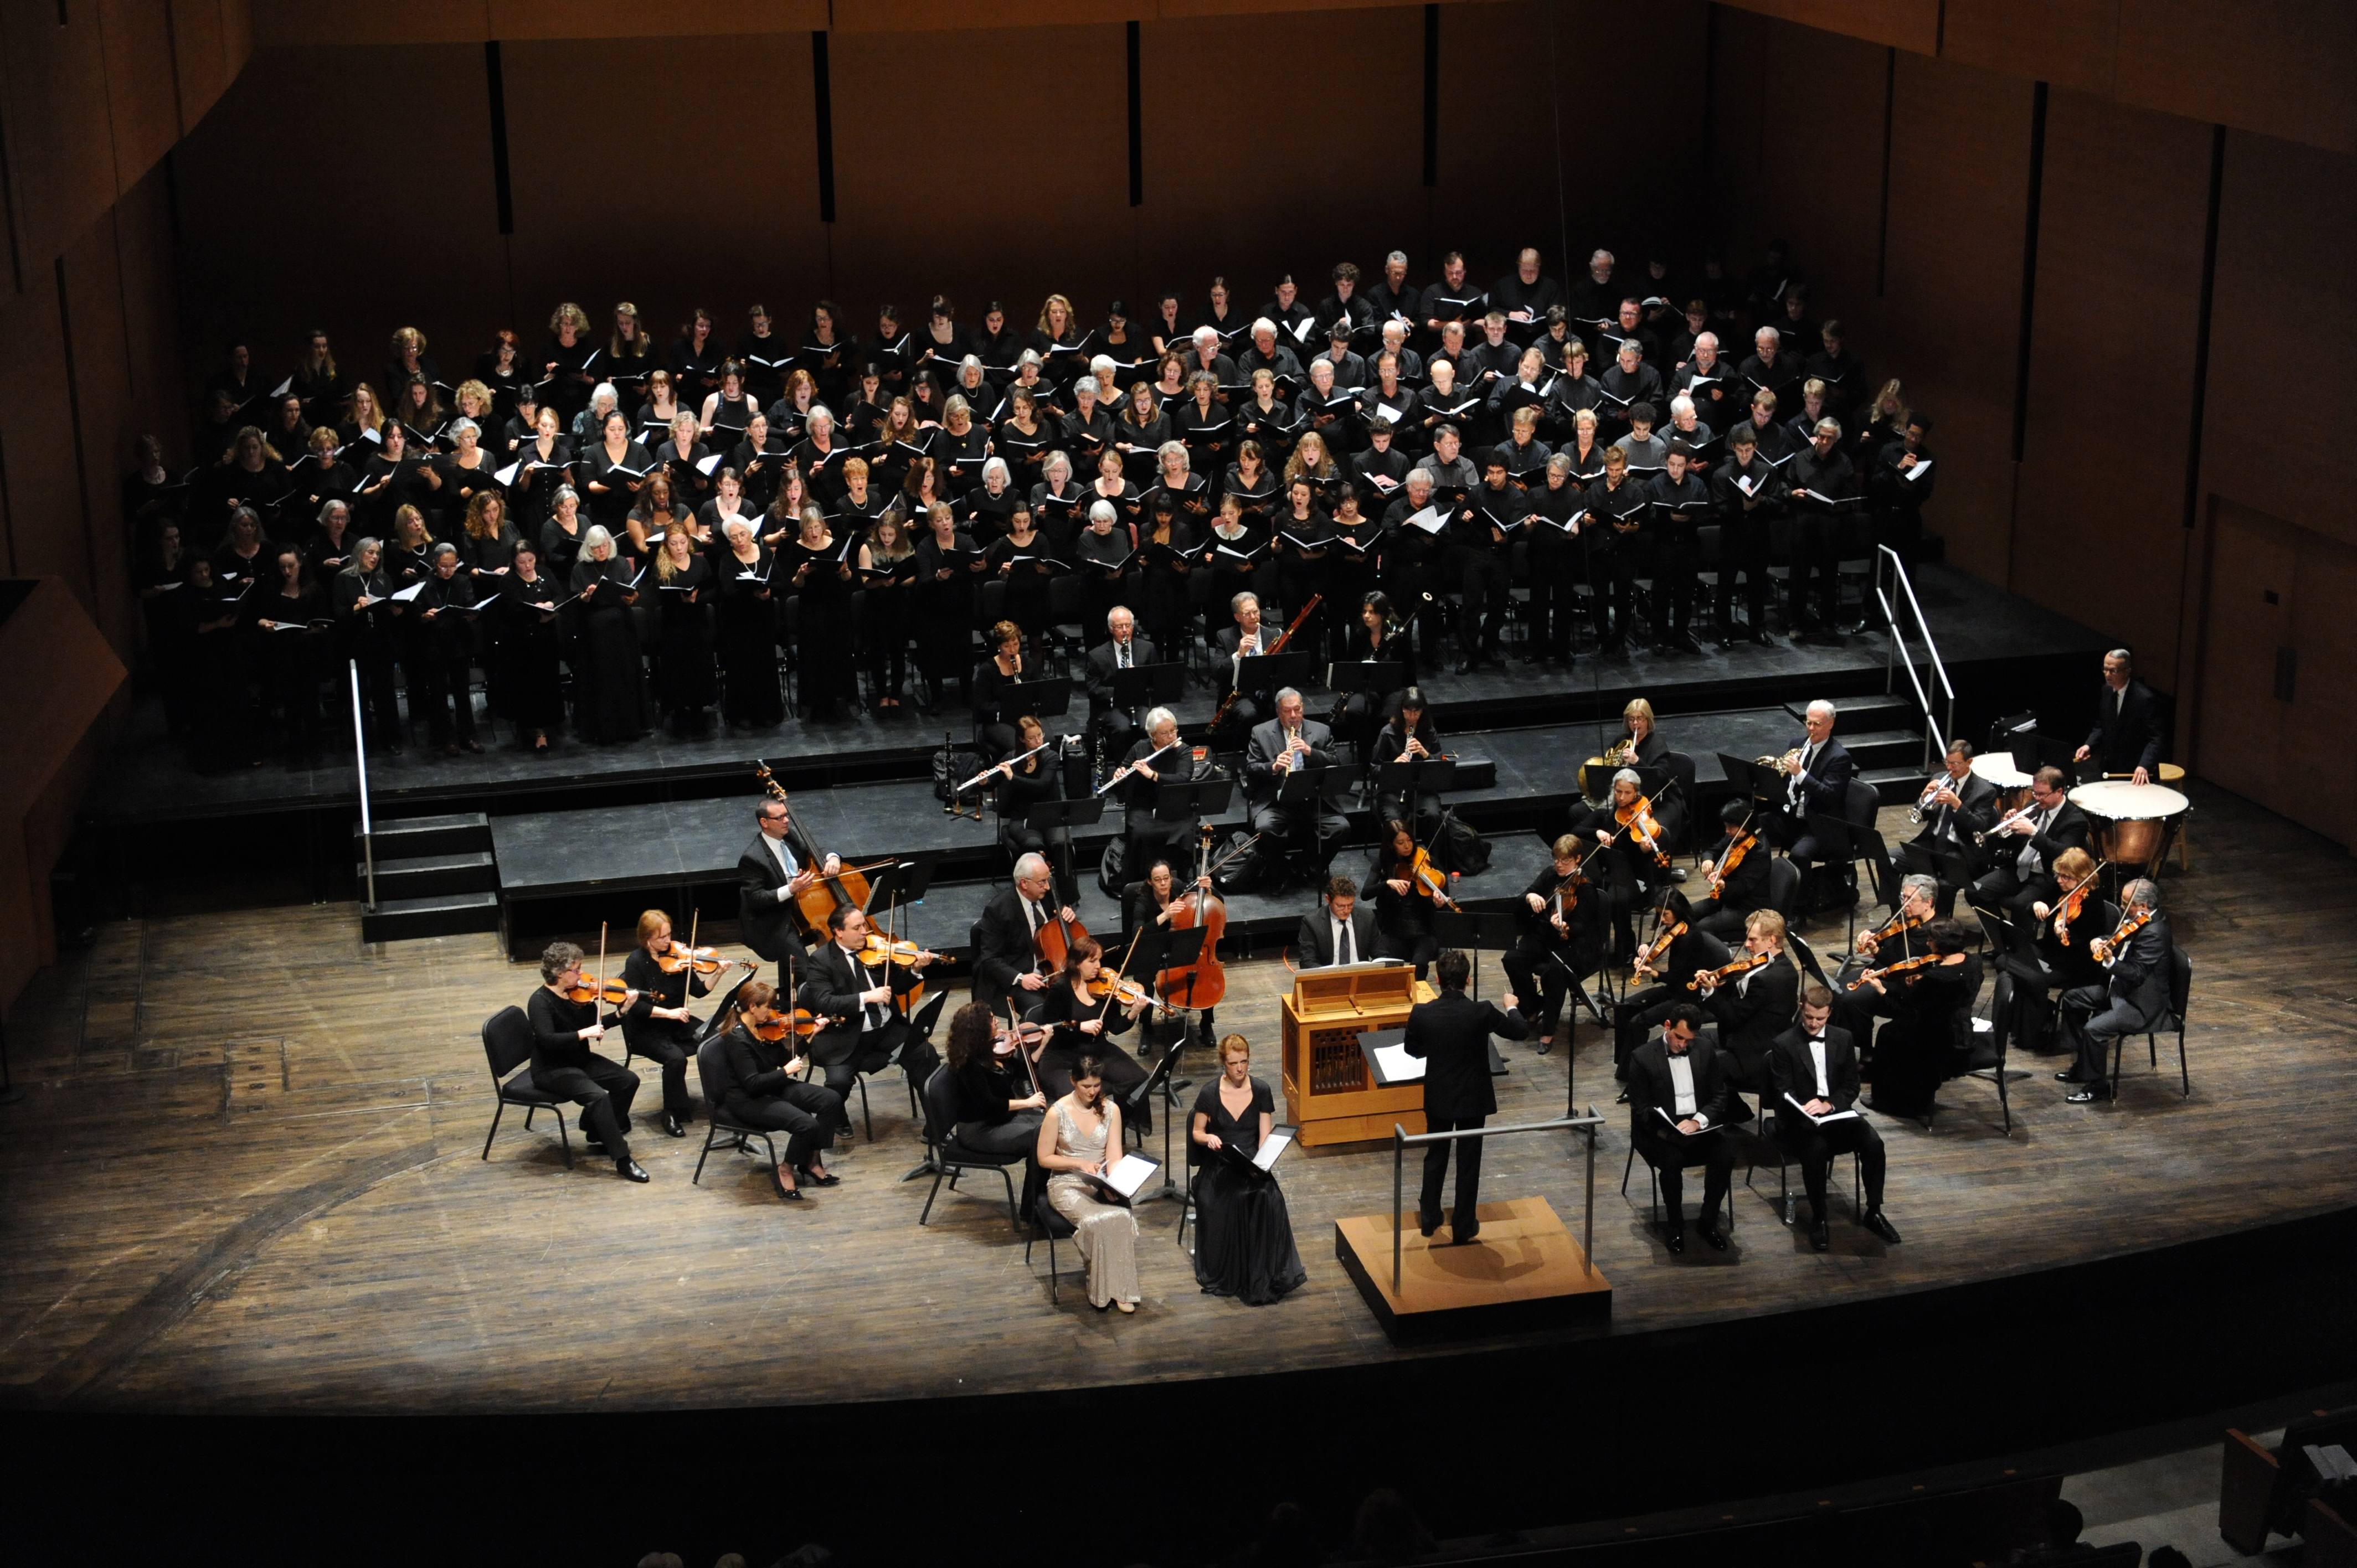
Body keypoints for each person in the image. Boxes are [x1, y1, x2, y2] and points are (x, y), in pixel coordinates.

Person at [1403, 948, 1525, 1245]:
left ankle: (1430, 1219)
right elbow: (1520, 1031)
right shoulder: (1481, 1011)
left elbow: (1413, 1050)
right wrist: (1510, 1006)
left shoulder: (1423, 1012)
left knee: (1436, 1156)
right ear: (1468, 980)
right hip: (1473, 1097)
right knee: (1469, 1161)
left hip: (1439, 1095)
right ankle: (1463, 1224)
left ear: (1437, 979)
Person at [1768, 986, 1901, 1250]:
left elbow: (1852, 1086)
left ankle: (1874, 1210)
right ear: (1801, 1007)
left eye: (1820, 1019)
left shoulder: (1843, 1038)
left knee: (1874, 1144)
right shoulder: (1783, 1044)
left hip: (1835, 1114)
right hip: (1801, 1120)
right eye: (1808, 1017)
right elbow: (1784, 1091)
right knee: (1815, 1150)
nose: (1813, 1024)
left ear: (1830, 1013)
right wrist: (1808, 1107)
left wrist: (1829, 1105)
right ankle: (1819, 1217)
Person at [797, 904, 940, 1132]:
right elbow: (825, 1002)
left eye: (864, 924)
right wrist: (867, 997)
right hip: (845, 1036)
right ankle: (836, 1117)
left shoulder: (876, 951)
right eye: (857, 928)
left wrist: (915, 970)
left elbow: (898, 987)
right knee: (838, 1082)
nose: (865, 931)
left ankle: (936, 1127)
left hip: (886, 1028)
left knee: (926, 1054)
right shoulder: (821, 961)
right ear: (839, 932)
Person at [1189, 1034, 1307, 1304]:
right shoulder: (1209, 1093)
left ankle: (1263, 1272)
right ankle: (1236, 1271)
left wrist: (1263, 1162)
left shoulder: (1261, 1090)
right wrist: (1209, 1138)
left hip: (1250, 1163)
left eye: (1244, 1062)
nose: (1240, 1069)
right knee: (1232, 1199)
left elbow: (1264, 1138)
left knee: (1269, 1197)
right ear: (1223, 1063)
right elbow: (1197, 1132)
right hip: (1220, 1165)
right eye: (1233, 1063)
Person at [524, 941, 647, 1182]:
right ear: (560, 974)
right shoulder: (539, 1002)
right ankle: (623, 1160)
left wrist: (623, 1012)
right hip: (552, 1068)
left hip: (580, 1059)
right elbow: (548, 1040)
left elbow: (597, 1026)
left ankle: (595, 1131)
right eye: (577, 970)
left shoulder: (580, 996)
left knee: (628, 1081)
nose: (582, 975)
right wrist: (584, 1034)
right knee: (598, 1096)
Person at [619, 908, 739, 1138]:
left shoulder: (678, 956)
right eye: (662, 937)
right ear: (648, 940)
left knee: (718, 1038)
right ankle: (671, 1113)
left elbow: (697, 991)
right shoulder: (635, 962)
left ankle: (725, 1098)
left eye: (669, 934)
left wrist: (718, 974)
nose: (669, 940)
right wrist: (670, 1014)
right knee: (675, 1059)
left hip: (677, 1021)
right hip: (646, 1028)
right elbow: (637, 1008)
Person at [716, 979, 842, 1198]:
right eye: (768, 1007)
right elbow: (752, 1083)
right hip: (748, 1099)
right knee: (806, 1124)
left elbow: (788, 1059)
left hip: (772, 1087)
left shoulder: (764, 1031)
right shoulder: (738, 1039)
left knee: (831, 1099)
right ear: (753, 1007)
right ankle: (785, 1168)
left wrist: (811, 1035)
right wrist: (784, 1072)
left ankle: (812, 1161)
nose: (772, 1012)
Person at [1037, 1055, 1141, 1312]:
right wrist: (1078, 1163)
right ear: (1074, 1082)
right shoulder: (1057, 1113)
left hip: (1097, 1183)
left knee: (1119, 1216)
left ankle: (1122, 1290)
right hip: (1066, 1185)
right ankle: (1102, 1288)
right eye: (1086, 1087)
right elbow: (1043, 1158)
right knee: (1098, 1220)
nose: (1093, 1092)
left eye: (1096, 1086)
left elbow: (1114, 1155)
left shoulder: (1111, 1110)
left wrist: (1112, 1184)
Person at [1626, 1004, 1733, 1254]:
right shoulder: (1642, 1057)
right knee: (1671, 1163)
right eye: (1679, 1038)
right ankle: (1674, 1225)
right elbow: (1640, 1110)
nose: (1683, 1045)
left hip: (1697, 1127)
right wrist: (1669, 1130)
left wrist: (1698, 1121)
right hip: (1660, 1132)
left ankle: (1708, 1221)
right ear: (1667, 1027)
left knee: (1725, 1154)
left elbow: (1720, 1096)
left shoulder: (1705, 1049)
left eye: (1689, 1041)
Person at [2058, 880, 2174, 1103]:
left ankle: (2097, 1086)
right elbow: (2115, 939)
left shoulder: (2155, 933)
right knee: (2072, 1000)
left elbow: (2137, 973)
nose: (2121, 907)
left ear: (2142, 906)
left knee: (2094, 1029)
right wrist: (2099, 940)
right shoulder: (2138, 921)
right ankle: (2083, 1065)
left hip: (2141, 1005)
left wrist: (2111, 962)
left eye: (2125, 903)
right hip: (2121, 991)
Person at [1859, 918, 1981, 1118]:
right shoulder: (1974, 962)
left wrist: (1881, 989)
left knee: (1888, 1033)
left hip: (1936, 1037)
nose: (1927, 943)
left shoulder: (1936, 977)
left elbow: (1906, 1008)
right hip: (1962, 1029)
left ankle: (1888, 1101)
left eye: (1930, 940)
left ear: (1940, 944)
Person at [1613, 890, 1731, 1090]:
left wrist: (1654, 973)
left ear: (1677, 912)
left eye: (1665, 914)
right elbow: (1660, 943)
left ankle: (1639, 1076)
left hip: (1687, 998)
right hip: (1674, 989)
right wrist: (1645, 947)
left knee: (1639, 1022)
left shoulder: (1690, 938)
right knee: (1625, 1007)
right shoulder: (1675, 929)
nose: (1662, 919)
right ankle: (1625, 1067)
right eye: (1660, 914)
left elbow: (1678, 980)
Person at [1501, 835, 1608, 1053]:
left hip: (1575, 945)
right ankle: (1532, 1006)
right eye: (1557, 859)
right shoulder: (1551, 874)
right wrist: (1530, 897)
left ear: (1578, 859)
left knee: (1554, 973)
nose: (1559, 865)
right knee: (1512, 959)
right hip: (1546, 936)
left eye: (1565, 861)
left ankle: (1548, 1031)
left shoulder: (1586, 888)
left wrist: (1565, 926)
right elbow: (1523, 896)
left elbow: (1583, 926)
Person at [1969, 765, 2091, 946]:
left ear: (2059, 792)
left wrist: (2034, 832)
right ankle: (2004, 938)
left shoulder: (2075, 821)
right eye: (2035, 793)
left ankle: (2021, 951)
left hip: (2046, 877)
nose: (2037, 798)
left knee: (2021, 904)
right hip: (2018, 869)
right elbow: (2011, 845)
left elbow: (2064, 855)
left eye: (2042, 794)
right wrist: (2008, 828)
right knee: (1974, 891)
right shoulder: (2032, 806)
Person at [1030, 937, 1151, 1115]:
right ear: (1077, 963)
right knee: (1072, 1095)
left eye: (1100, 960)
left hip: (1097, 1053)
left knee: (1137, 1078)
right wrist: (1080, 1027)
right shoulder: (1060, 989)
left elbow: (1116, 1027)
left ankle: (1114, 1126)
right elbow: (1051, 1028)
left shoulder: (1105, 987)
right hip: (1063, 1057)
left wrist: (1134, 1012)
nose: (1098, 966)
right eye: (1092, 961)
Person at [1694, 909, 1801, 1102]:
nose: (1748, 946)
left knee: (1699, 1063)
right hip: (1756, 1036)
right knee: (1694, 1036)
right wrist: (1725, 985)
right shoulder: (1785, 967)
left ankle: (1726, 1111)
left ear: (1772, 940)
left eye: (1753, 940)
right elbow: (1749, 1001)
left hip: (1753, 1054)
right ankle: (1734, 1108)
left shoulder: (1764, 979)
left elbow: (1732, 1018)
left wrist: (1710, 992)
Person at [1246, 687, 1346, 883]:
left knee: (1340, 827)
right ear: (1278, 711)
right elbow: (1251, 769)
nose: (1293, 715)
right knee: (1266, 828)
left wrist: (1310, 752)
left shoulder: (1321, 731)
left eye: (1297, 709)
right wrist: (1273, 767)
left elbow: (1336, 764)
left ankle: (1304, 865)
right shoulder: (1261, 732)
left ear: (1303, 708)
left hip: (1313, 800)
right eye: (1287, 711)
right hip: (1276, 802)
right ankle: (1280, 872)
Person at [1767, 699, 1855, 907]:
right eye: (1808, 723)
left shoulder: (1840, 757)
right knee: (1756, 828)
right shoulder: (1797, 744)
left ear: (1831, 724)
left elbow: (1828, 795)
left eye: (1817, 724)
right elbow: (1785, 780)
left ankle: (1799, 909)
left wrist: (1800, 774)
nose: (1811, 729)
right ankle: (1762, 891)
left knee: (1799, 854)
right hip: (1791, 817)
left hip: (1818, 825)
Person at [736, 794, 841, 969]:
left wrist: (833, 858)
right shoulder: (753, 858)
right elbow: (756, 898)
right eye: (780, 818)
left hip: (801, 908)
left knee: (840, 927)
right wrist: (791, 889)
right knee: (805, 971)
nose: (786, 821)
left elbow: (813, 849)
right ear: (764, 822)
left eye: (786, 816)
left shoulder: (789, 836)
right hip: (774, 921)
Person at [1894, 740, 1996, 915]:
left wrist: (1957, 805)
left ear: (1969, 762)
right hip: (1931, 843)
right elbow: (1921, 817)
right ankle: (1899, 912)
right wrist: (1923, 798)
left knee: (1944, 885)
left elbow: (1979, 828)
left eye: (1955, 764)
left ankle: (1939, 925)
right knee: (1889, 859)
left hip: (1960, 850)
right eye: (1947, 762)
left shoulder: (1985, 791)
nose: (1949, 768)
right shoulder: (1939, 779)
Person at [969, 852, 1073, 1019]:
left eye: (1048, 880)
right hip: (1020, 978)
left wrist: (1065, 914)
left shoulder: (1047, 897)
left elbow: (1053, 932)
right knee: (1040, 1011)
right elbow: (990, 959)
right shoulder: (998, 910)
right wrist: (1020, 979)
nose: (1048, 887)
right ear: (1024, 883)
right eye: (1042, 882)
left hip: (1052, 973)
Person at [946, 1001, 1047, 1158]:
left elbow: (1021, 1071)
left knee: (1053, 1125)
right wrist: (1028, 1103)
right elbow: (990, 1104)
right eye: (992, 1020)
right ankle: (1036, 1183)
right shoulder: (969, 1064)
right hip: (981, 1131)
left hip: (1004, 1119)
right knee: (1044, 1140)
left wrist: (1043, 1044)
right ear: (980, 1028)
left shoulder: (989, 1048)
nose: (997, 1022)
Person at [989, 714, 1073, 899]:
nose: (1038, 741)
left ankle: (1067, 898)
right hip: (1023, 819)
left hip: (1051, 816)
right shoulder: (1011, 758)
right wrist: (983, 781)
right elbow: (990, 784)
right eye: (1032, 738)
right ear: (1022, 740)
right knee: (1033, 844)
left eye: (1040, 736)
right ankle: (1036, 897)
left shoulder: (1050, 757)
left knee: (1061, 843)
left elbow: (1041, 786)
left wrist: (1013, 778)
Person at [2075, 647, 2165, 785]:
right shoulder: (2106, 690)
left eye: (2114, 671)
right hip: (2109, 768)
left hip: (2135, 772)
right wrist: (2089, 745)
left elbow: (2156, 739)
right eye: (2105, 669)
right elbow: (2102, 725)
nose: (2108, 675)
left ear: (2127, 671)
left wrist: (2144, 765)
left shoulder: (2145, 699)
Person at [1084, 605, 1157, 754]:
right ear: (1111, 628)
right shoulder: (1097, 655)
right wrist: (1120, 690)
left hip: (1140, 702)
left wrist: (1138, 678)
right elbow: (1093, 689)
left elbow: (1157, 679)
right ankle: (1123, 769)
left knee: (1147, 726)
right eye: (1119, 627)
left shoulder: (1147, 649)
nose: (1125, 630)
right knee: (1123, 729)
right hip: (1112, 706)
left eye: (1128, 625)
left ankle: (1147, 768)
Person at [1295, 875, 1381, 968]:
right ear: (1328, 899)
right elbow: (1307, 961)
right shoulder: (1312, 923)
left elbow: (1380, 952)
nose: (1346, 910)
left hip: (1361, 978)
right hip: (1328, 979)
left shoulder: (1367, 918)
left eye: (1351, 905)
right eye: (1340, 906)